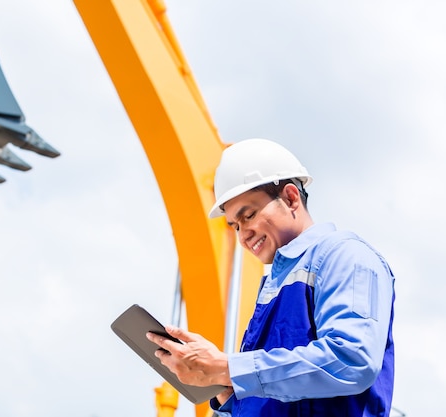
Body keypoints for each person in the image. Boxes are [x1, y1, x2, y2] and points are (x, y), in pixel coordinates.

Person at [146, 138, 395, 417]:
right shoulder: (274, 289)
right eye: (235, 226)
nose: (243, 235)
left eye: (249, 215)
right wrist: (226, 391)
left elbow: (352, 360)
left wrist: (227, 368)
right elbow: (274, 392)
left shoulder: (346, 256)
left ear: (291, 197)